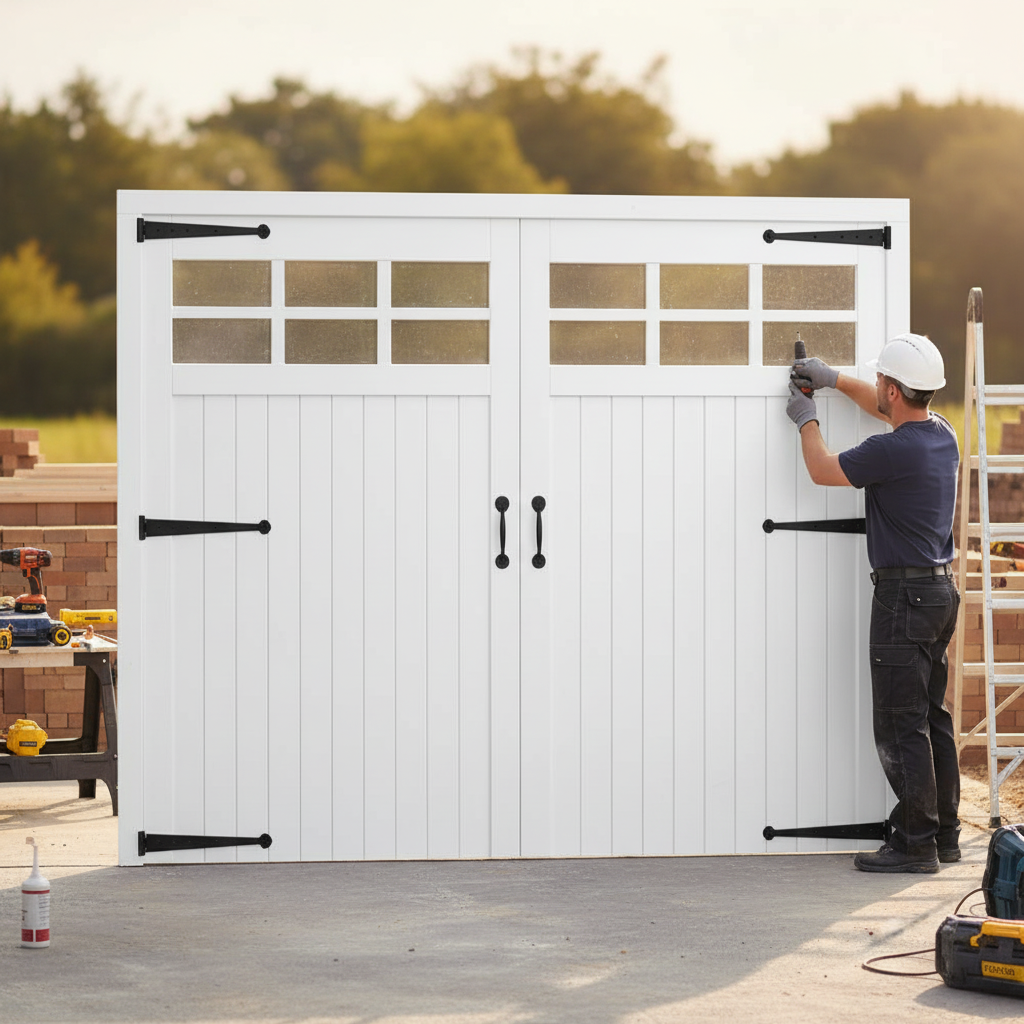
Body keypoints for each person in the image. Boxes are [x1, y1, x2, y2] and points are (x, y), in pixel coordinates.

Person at [787, 333, 960, 873]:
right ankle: (944, 835)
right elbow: (882, 408)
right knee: (932, 717)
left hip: (902, 600)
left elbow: (821, 468)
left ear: (891, 387)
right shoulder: (941, 436)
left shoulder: (891, 450)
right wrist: (833, 378)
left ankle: (913, 845)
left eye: (879, 382)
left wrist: (804, 414)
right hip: (938, 593)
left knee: (899, 722)